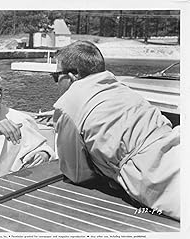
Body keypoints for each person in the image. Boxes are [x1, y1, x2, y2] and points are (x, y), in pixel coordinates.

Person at [50, 40, 180, 221]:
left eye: (55, 76)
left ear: (73, 76)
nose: (56, 83)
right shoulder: (120, 88)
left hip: (155, 174)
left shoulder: (68, 106)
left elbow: (77, 174)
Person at [0, 69, 56, 184]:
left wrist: (43, 154)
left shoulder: (19, 119)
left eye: (0, 90)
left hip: (18, 182)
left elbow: (42, 147)